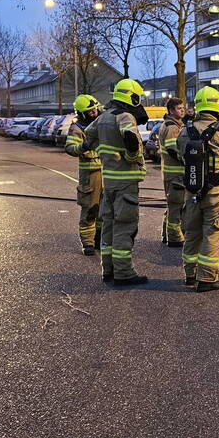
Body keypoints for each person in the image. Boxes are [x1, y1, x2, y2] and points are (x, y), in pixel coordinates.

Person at [84, 79, 148, 286]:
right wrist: (131, 156)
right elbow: (130, 137)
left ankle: (108, 269)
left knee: (109, 225)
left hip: (109, 180)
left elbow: (88, 137)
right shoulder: (125, 116)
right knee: (125, 226)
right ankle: (124, 273)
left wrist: (103, 151)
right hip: (126, 181)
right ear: (133, 97)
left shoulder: (103, 117)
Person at [176, 86, 219, 293]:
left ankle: (190, 274)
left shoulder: (185, 130)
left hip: (192, 191)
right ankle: (207, 279)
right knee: (213, 233)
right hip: (217, 192)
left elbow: (179, 154)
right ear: (217, 105)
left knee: (192, 233)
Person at [64, 95, 103, 256]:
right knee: (90, 209)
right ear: (82, 113)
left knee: (104, 209)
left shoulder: (101, 124)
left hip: (106, 172)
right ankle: (88, 242)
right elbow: (70, 148)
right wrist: (84, 146)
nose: (94, 112)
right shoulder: (77, 128)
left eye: (95, 109)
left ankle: (99, 239)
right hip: (89, 174)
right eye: (90, 111)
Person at [158, 97, 187, 247]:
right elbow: (173, 149)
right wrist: (188, 160)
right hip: (175, 174)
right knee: (176, 205)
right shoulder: (172, 127)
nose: (182, 110)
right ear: (170, 111)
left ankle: (166, 233)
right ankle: (174, 237)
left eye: (183, 107)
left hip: (171, 173)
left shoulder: (173, 124)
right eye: (178, 108)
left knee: (172, 205)